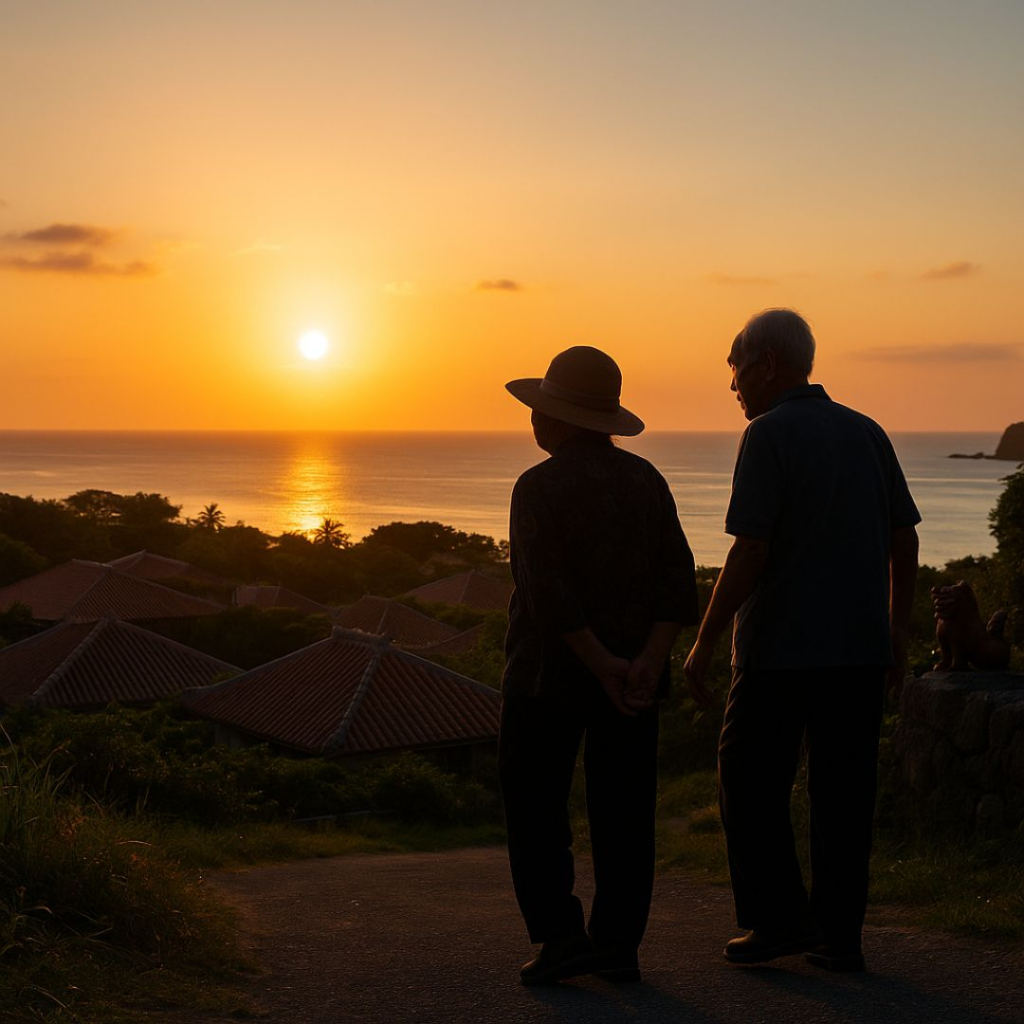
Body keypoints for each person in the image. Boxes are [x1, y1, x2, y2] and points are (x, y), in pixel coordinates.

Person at [683, 309, 920, 972]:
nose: (732, 386)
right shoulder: (866, 431)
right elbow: (905, 539)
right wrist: (897, 632)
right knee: (844, 795)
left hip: (780, 653)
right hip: (859, 651)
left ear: (765, 364)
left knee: (748, 782)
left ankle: (780, 920)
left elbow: (750, 548)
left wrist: (704, 640)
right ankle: (840, 938)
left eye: (734, 369)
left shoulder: (768, 434)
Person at [499, 345, 698, 986]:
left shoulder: (538, 487)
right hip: (635, 683)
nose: (533, 421)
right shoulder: (646, 480)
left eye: (540, 410)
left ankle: (561, 937)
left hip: (546, 678)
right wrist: (643, 661)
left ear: (558, 420)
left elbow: (546, 593)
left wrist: (602, 663)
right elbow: (678, 582)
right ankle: (616, 945)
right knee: (625, 814)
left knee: (535, 810)